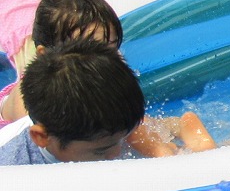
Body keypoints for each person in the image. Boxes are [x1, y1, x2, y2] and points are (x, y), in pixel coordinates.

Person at [0, 0, 214, 155]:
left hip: (98, 126)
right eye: (88, 50)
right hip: (66, 131)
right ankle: (171, 142)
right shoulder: (31, 103)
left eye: (110, 49)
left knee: (129, 127)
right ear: (45, 54)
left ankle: (172, 143)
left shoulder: (103, 70)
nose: (104, 60)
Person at [0, 39, 145, 165]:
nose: (117, 154)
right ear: (42, 137)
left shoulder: (111, 125)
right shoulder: (14, 171)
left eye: (124, 138)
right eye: (100, 151)